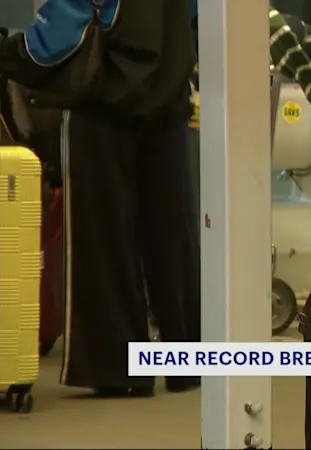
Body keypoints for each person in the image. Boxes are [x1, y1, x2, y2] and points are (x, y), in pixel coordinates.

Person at [0, 0, 199, 397]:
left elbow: (53, 43)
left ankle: (119, 370)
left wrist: (10, 54)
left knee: (104, 242)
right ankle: (187, 362)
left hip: (102, 108)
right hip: (168, 107)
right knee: (172, 240)